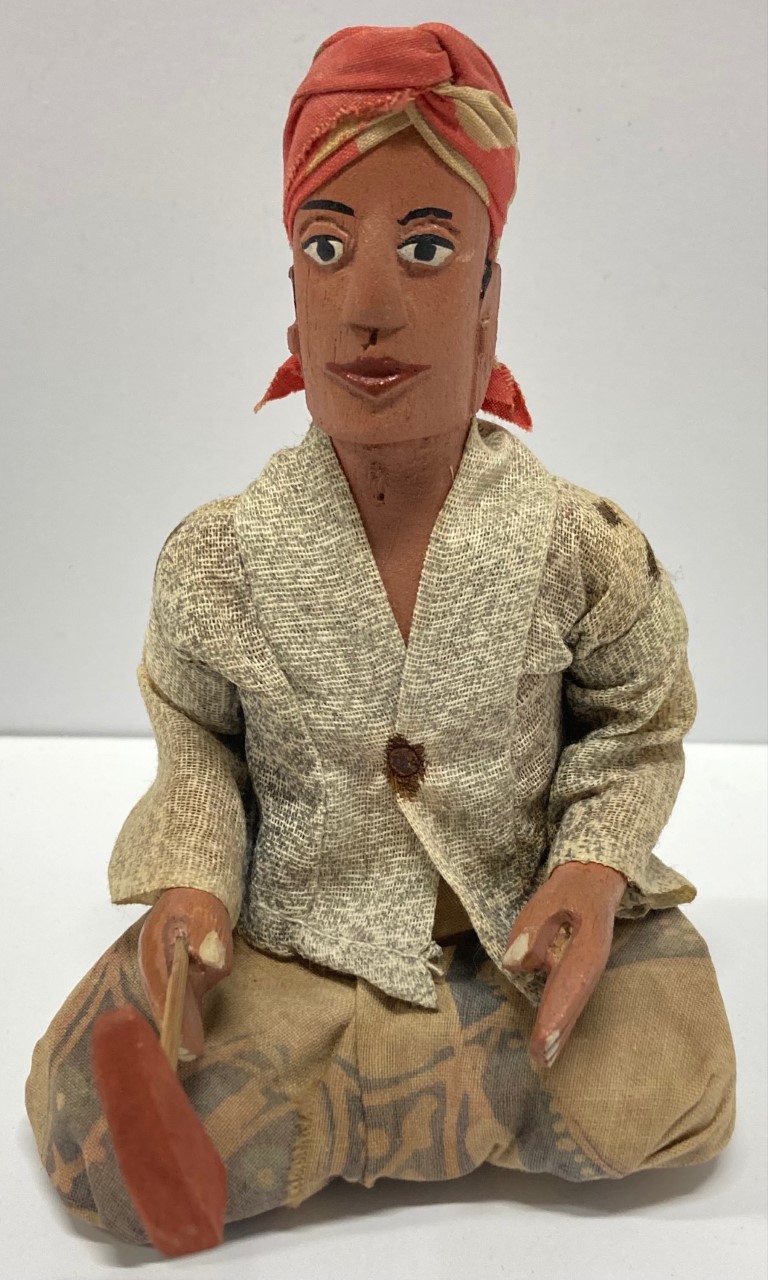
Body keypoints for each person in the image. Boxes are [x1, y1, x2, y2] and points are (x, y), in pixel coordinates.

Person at [26, 23, 736, 1245]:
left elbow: (638, 721)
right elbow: (197, 747)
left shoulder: (577, 546)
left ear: (489, 298)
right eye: (326, 246)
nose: (366, 307)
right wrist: (194, 885)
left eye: (426, 247)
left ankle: (325, 1112)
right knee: (85, 1093)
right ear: (291, 296)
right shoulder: (219, 558)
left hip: (513, 934)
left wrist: (592, 863)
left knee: (679, 1060)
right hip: (303, 938)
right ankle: (447, 1094)